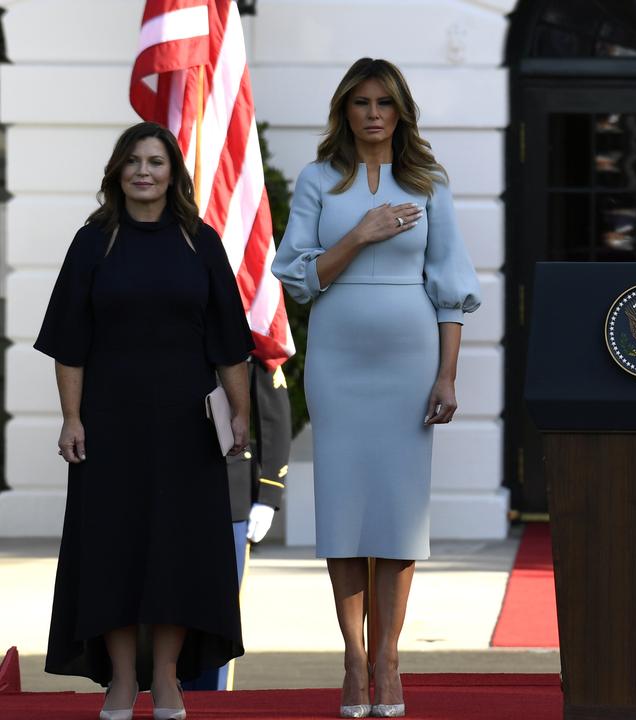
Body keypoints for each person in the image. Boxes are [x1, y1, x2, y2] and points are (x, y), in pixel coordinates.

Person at [272, 57, 480, 719]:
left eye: (383, 102)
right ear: (345, 110)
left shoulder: (428, 184)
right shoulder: (316, 182)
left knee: (395, 511)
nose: (371, 113)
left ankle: (388, 658)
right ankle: (352, 661)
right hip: (337, 360)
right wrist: (359, 235)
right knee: (343, 510)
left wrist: (447, 373)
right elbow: (298, 277)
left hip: (409, 360)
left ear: (400, 112)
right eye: (360, 102)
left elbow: (451, 289)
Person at [36, 122, 253, 720]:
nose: (144, 172)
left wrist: (240, 416)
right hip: (108, 426)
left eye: (156, 162)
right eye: (133, 161)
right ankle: (121, 682)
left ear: (172, 173)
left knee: (179, 552)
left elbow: (231, 344)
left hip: (187, 426)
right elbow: (68, 345)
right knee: (112, 549)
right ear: (117, 171)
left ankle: (166, 681)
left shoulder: (199, 241)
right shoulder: (92, 242)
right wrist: (70, 418)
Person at [181, 352, 291, 692]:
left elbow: (270, 406)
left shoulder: (244, 304)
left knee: (218, 613)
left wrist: (270, 490)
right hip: (165, 485)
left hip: (228, 490)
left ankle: (210, 702)